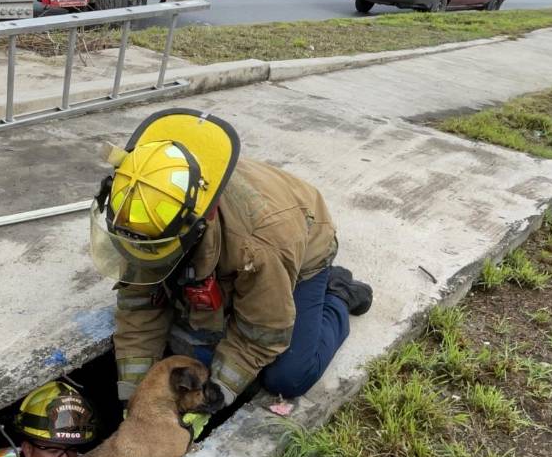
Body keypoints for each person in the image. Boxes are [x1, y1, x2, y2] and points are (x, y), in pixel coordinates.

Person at [88, 108, 373, 420]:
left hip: (304, 243)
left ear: (203, 219)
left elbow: (261, 333)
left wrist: (216, 394)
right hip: (245, 231)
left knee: (289, 377)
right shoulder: (146, 209)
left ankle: (338, 293)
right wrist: (134, 397)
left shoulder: (259, 246)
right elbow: (139, 307)